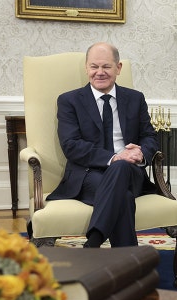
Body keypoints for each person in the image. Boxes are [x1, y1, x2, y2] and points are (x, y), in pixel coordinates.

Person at [46, 42, 159, 248]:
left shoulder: (135, 98)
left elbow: (149, 137)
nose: (99, 72)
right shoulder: (69, 101)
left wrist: (140, 153)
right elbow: (71, 145)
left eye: (106, 66)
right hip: (88, 175)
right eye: (94, 66)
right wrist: (115, 157)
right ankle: (125, 263)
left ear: (118, 68)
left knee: (123, 167)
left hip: (130, 171)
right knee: (122, 196)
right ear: (86, 68)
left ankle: (94, 244)